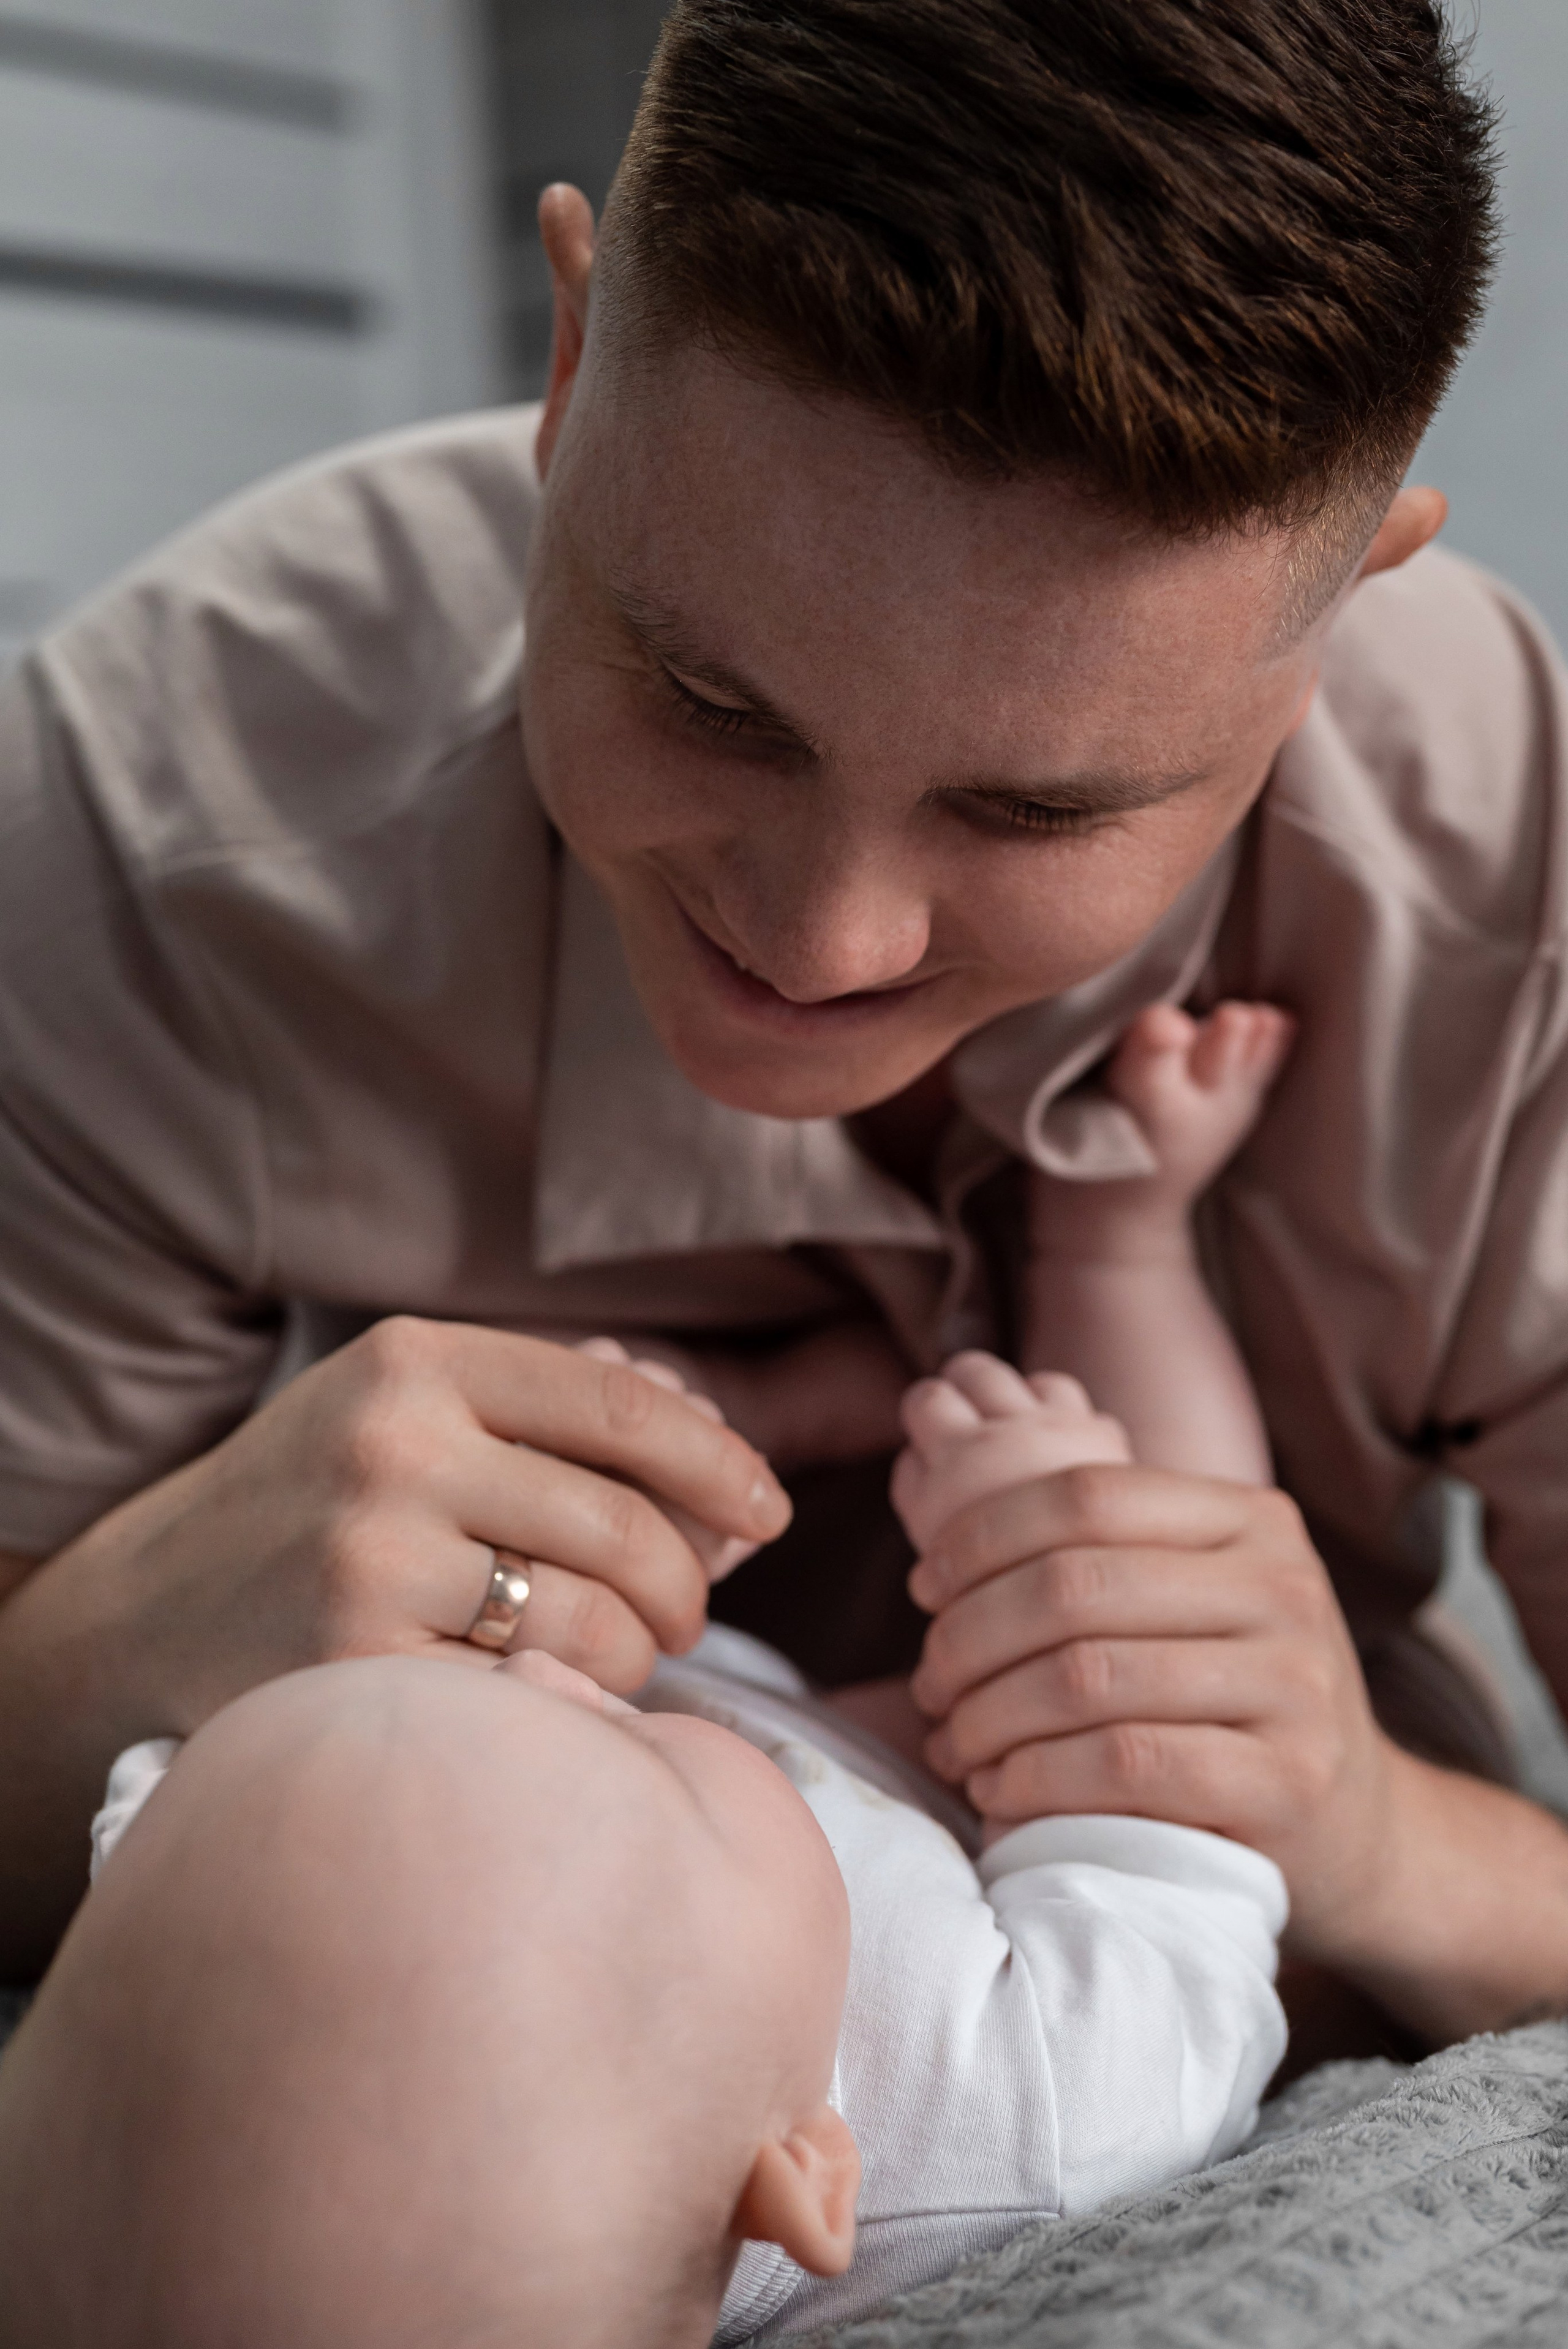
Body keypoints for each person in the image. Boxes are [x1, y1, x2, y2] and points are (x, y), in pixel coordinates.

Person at [1, 0, 1564, 2053]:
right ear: (565, 369)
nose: (822, 940)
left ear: (1342, 617)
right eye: (712, 705)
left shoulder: (1506, 880)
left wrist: (1377, 1831)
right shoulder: (142, 845)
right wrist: (107, 1657)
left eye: (1038, 808)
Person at [0, 1000, 1292, 2345]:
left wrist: (593, 1517)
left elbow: (178, 1787)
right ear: (803, 2172)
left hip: (744, 1695)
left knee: (580, 1510)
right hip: (1000, 1804)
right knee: (1169, 1588)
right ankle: (1118, 1239)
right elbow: (1191, 1828)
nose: (553, 1693)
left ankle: (754, 1422)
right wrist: (1051, 1518)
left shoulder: (201, 1889)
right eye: (621, 1757)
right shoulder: (1019, 2117)